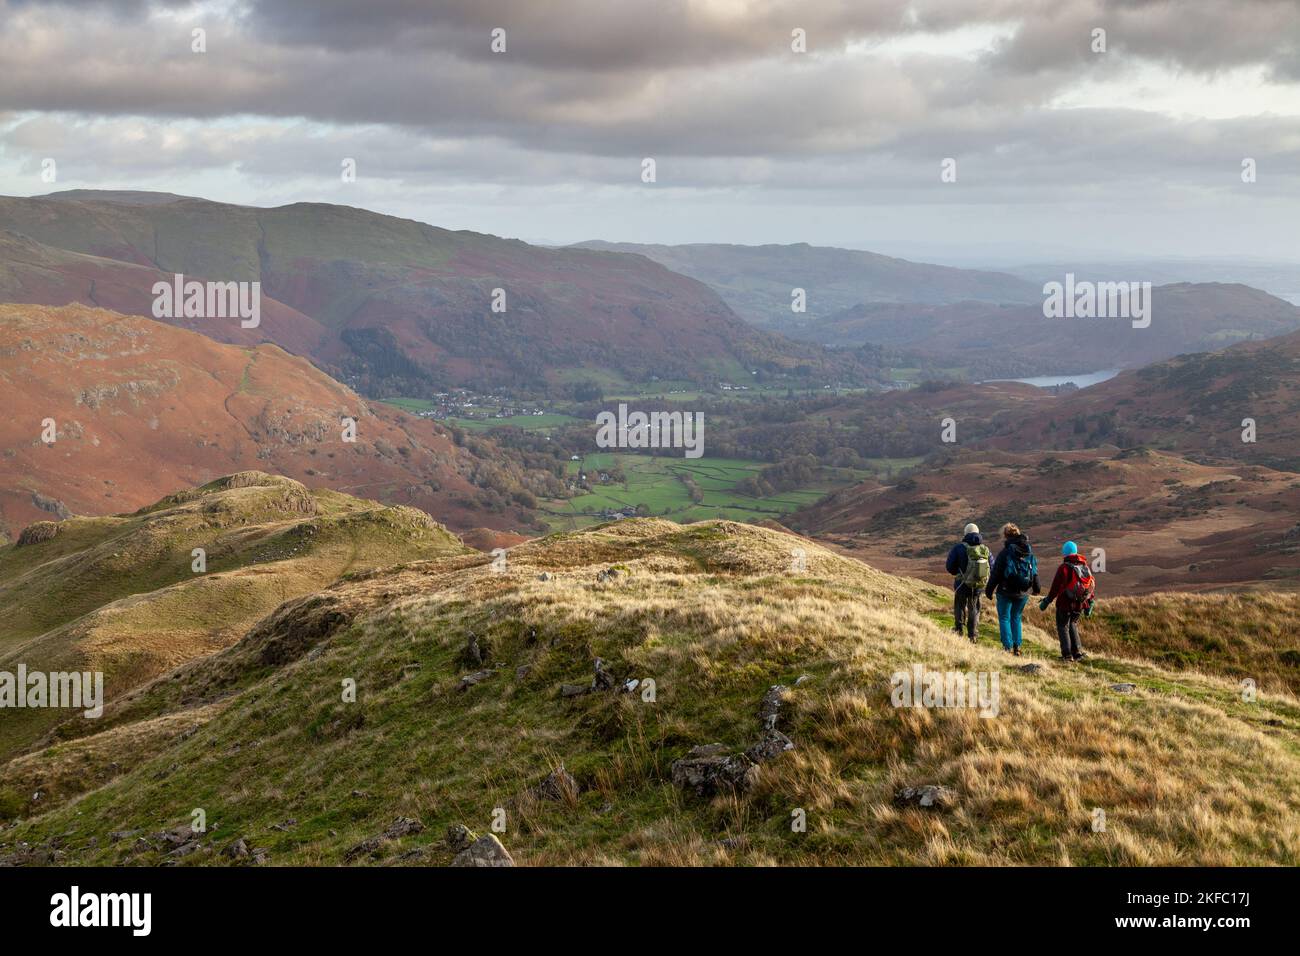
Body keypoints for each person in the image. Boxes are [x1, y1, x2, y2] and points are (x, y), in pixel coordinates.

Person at [984, 522, 1040, 656]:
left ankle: (1007, 647)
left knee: (1004, 618)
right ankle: (1017, 647)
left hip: (1005, 591)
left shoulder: (1005, 553)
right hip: (1023, 592)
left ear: (1005, 536)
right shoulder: (1029, 552)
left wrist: (989, 590)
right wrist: (1036, 588)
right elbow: (1034, 571)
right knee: (1016, 617)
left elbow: (996, 573)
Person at [1039, 541, 1096, 661]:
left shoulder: (1064, 568)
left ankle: (1067, 655)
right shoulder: (1084, 567)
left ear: (1064, 553)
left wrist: (1047, 601)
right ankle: (1078, 653)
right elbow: (1090, 586)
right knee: (1073, 624)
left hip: (1064, 603)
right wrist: (1089, 603)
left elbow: (1055, 588)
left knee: (1063, 626)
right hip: (1079, 604)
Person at [945, 522, 989, 643]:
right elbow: (992, 566)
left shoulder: (959, 548)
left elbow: (949, 567)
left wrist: (958, 573)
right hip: (978, 586)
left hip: (962, 584)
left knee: (959, 605)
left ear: (965, 533)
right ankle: (973, 635)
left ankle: (959, 629)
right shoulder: (985, 549)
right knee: (974, 608)